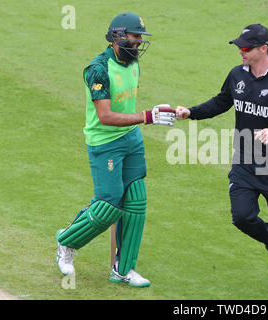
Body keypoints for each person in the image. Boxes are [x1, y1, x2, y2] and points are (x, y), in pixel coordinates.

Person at [176, 24, 268, 294]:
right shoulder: (237, 74)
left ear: (264, 49)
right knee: (242, 216)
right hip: (244, 158)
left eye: (246, 48)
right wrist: (191, 112)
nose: (241, 51)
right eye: (239, 46)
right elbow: (221, 102)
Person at [55, 12, 176, 287]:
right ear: (117, 37)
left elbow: (126, 108)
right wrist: (148, 117)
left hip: (130, 139)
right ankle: (66, 241)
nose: (138, 43)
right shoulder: (98, 69)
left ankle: (123, 269)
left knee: (136, 201)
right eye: (134, 37)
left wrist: (149, 116)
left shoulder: (133, 64)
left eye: (140, 38)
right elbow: (106, 116)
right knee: (109, 204)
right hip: (104, 142)